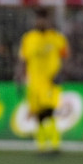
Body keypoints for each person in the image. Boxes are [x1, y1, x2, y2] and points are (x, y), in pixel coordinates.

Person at [19, 10, 68, 152]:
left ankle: (54, 141)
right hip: (34, 82)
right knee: (38, 113)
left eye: (43, 20)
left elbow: (66, 56)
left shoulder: (56, 38)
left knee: (49, 111)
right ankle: (41, 143)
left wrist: (61, 72)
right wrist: (19, 78)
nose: (40, 23)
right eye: (38, 20)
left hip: (50, 81)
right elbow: (23, 60)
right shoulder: (29, 38)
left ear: (48, 21)